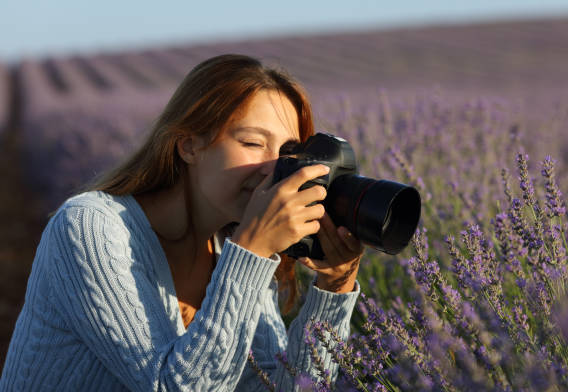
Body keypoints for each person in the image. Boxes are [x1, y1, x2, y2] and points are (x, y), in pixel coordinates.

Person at [0, 54, 364, 391]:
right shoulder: (89, 227)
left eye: (288, 152)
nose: (276, 168)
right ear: (188, 146)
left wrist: (333, 288)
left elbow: (277, 387)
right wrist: (251, 253)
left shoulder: (230, 248)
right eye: (254, 143)